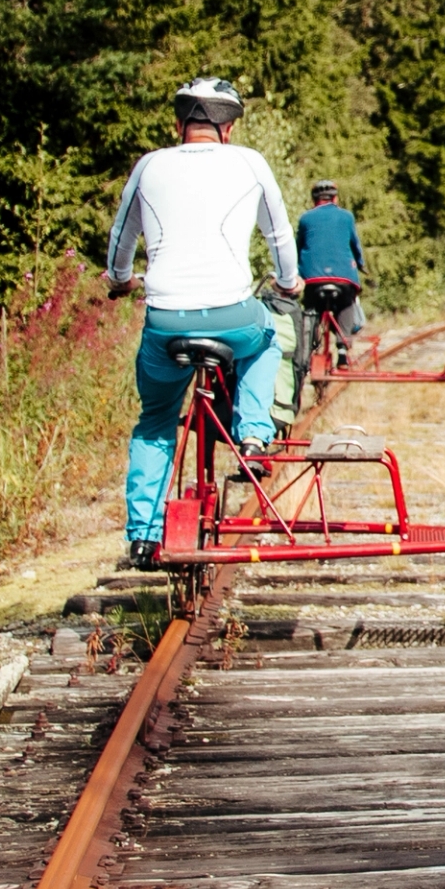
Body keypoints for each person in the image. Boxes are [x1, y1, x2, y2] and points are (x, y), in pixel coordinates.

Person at [105, 78, 299, 569]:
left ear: (180, 126)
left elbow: (121, 238)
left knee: (154, 422)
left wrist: (122, 280)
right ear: (228, 129)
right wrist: (288, 281)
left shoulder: (149, 165)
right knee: (268, 339)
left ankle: (144, 538)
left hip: (166, 321)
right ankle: (253, 435)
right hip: (235, 315)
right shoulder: (250, 162)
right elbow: (278, 231)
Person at [293, 179, 369, 361]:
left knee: (311, 308)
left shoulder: (305, 218)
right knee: (346, 305)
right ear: (335, 199)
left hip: (312, 278)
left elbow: (298, 247)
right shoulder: (347, 216)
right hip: (343, 277)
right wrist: (360, 263)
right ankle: (343, 350)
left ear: (314, 200)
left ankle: (309, 348)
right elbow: (355, 245)